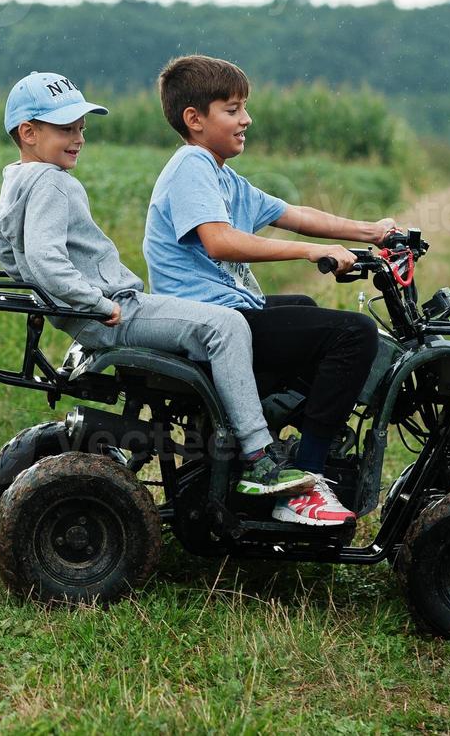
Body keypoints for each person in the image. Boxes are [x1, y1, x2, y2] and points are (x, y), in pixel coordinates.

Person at [0, 71, 314, 497]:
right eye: (65, 129)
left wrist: (56, 299)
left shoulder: (15, 180)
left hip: (91, 312)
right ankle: (259, 456)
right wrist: (94, 302)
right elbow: (43, 259)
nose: (78, 138)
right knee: (227, 326)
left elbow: (9, 255)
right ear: (28, 132)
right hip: (110, 311)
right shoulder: (53, 182)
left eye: (81, 128)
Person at [144, 54, 398, 527]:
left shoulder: (220, 173)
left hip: (224, 310)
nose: (247, 119)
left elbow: (294, 214)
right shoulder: (191, 165)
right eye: (233, 109)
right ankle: (306, 478)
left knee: (302, 308)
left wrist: (372, 232)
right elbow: (218, 241)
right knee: (354, 333)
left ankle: (276, 444)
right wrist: (306, 254)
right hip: (208, 321)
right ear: (194, 120)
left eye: (245, 108)